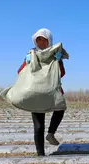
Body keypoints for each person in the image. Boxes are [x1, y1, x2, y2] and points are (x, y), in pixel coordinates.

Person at [18, 28, 65, 156]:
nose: (41, 43)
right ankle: (40, 154)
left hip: (50, 91)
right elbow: (20, 72)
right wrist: (26, 63)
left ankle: (51, 133)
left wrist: (58, 61)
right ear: (35, 41)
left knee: (60, 108)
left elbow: (62, 73)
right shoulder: (31, 54)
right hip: (36, 92)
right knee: (38, 127)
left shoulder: (54, 54)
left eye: (44, 40)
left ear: (49, 41)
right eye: (38, 40)